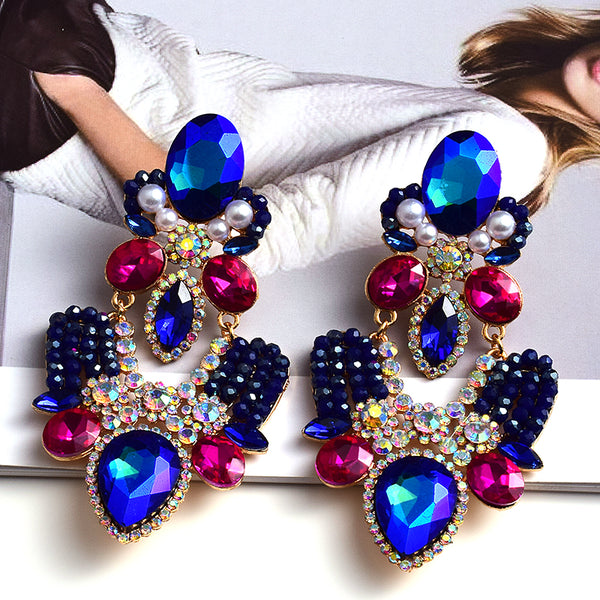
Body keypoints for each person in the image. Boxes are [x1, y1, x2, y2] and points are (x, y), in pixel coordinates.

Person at [1, 2, 598, 275]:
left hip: (60, 102)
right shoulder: (498, 119)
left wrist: (76, 92)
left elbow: (236, 243)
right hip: (83, 62)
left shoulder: (508, 145)